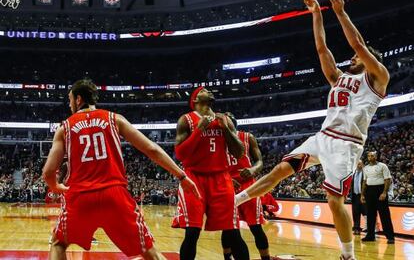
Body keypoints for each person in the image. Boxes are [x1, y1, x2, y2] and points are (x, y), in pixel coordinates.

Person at [235, 0, 390, 260]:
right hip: (322, 137)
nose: (352, 59)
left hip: (347, 144)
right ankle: (233, 202)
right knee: (278, 171)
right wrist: (316, 13)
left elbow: (358, 46)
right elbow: (321, 47)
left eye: (357, 59)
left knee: (334, 202)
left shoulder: (377, 77)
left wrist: (340, 12)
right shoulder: (337, 78)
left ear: (368, 61)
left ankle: (347, 254)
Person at [42, 78, 200, 260]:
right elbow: (152, 149)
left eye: (70, 99)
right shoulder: (114, 118)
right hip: (114, 195)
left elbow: (48, 172)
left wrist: (55, 186)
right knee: (149, 252)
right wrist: (181, 176)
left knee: (58, 243)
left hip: (80, 196)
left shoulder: (65, 128)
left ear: (78, 99)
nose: (69, 104)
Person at [172, 87, 249, 260]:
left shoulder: (224, 119)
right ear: (195, 100)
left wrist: (226, 129)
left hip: (221, 178)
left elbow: (239, 153)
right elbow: (180, 154)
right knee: (192, 232)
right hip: (194, 178)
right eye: (204, 90)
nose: (209, 90)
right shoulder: (186, 120)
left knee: (233, 232)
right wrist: (199, 130)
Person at [221, 112, 271, 260]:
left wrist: (253, 169)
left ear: (233, 122)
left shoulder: (248, 137)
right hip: (227, 187)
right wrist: (225, 179)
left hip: (248, 187)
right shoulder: (218, 141)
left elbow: (259, 161)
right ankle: (227, 256)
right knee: (229, 228)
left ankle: (266, 258)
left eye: (227, 117)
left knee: (256, 227)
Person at [361, 151, 395, 243]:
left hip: (380, 190)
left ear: (376, 156)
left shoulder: (383, 166)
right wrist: (362, 194)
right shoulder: (366, 168)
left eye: (372, 156)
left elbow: (387, 179)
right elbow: (364, 181)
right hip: (369, 191)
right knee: (370, 215)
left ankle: (390, 237)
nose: (370, 157)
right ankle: (370, 236)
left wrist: (384, 192)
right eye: (369, 156)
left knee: (384, 215)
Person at [351, 160, 366, 235]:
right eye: (357, 164)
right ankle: (356, 228)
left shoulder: (365, 173)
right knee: (355, 213)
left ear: (363, 165)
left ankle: (371, 229)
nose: (358, 166)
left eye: (360, 164)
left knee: (366, 213)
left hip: (363, 196)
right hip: (355, 196)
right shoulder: (353, 173)